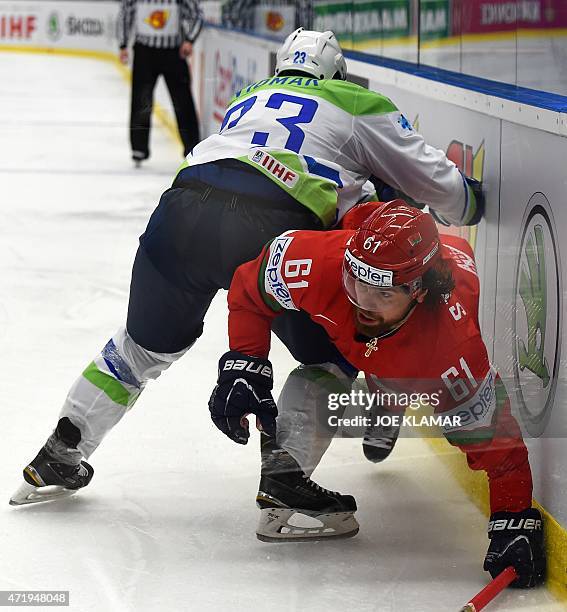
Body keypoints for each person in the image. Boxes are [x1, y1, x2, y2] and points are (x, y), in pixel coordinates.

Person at [11, 29, 483, 508]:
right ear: (336, 73)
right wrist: (471, 201)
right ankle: (285, 479)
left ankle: (61, 449)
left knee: (138, 348)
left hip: (181, 210)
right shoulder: (355, 100)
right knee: (333, 356)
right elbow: (442, 187)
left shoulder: (249, 96)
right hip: (271, 221)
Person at [208, 200, 545, 588]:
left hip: (417, 353)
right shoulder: (321, 262)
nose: (361, 305)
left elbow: (503, 454)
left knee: (396, 373)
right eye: (356, 281)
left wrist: (513, 521)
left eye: (381, 294)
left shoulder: (453, 352)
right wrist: (244, 363)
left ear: (419, 291)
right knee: (353, 351)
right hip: (366, 238)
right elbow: (249, 288)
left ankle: (389, 400)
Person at [117, 0, 202, 165]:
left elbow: (196, 14)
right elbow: (125, 13)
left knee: (183, 101)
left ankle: (193, 148)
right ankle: (139, 148)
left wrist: (190, 40)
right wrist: (122, 44)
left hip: (174, 51)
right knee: (141, 100)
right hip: (144, 51)